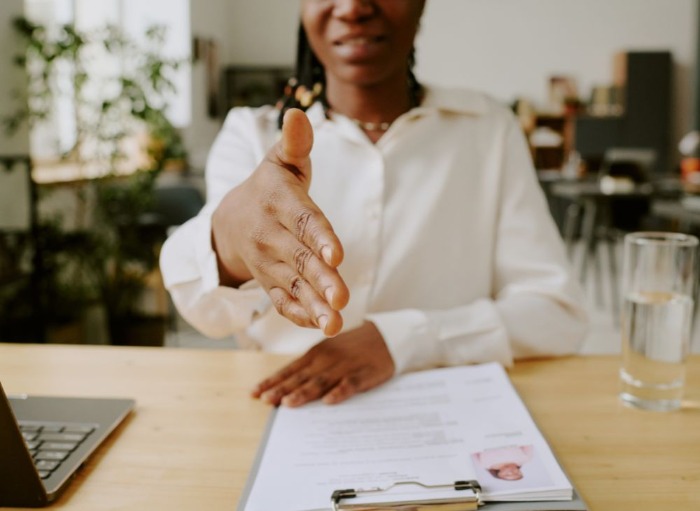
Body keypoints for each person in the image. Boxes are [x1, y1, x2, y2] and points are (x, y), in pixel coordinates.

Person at [160, 0, 588, 408]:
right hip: (285, 405)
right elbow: (207, 313)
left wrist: (401, 339)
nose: (352, 8)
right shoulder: (251, 135)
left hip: (450, 408)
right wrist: (232, 239)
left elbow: (556, 314)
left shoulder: (487, 130)